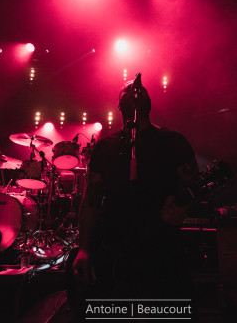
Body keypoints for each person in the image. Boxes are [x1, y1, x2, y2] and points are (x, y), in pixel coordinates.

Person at [72, 78, 198, 311]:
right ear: (119, 105)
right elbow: (92, 199)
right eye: (127, 90)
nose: (134, 91)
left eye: (140, 89)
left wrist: (183, 207)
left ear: (149, 101)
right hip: (114, 246)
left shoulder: (173, 142)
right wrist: (84, 248)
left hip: (162, 244)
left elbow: (194, 185)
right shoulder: (105, 147)